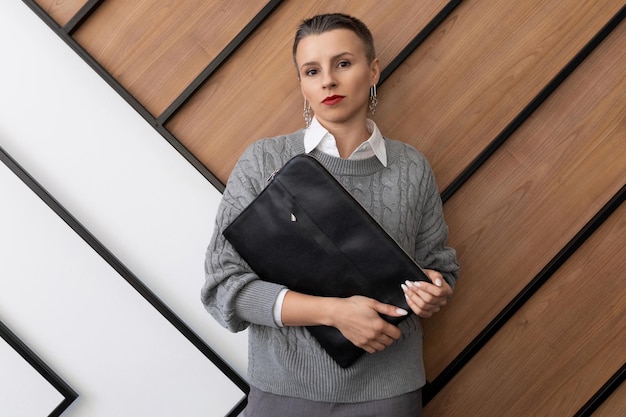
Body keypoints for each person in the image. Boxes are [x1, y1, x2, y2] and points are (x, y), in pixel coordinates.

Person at [202, 13, 459, 417]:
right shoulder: (263, 160)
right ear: (302, 84)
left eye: (343, 63)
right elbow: (223, 288)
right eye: (311, 70)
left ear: (373, 69)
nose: (328, 81)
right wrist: (333, 312)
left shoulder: (411, 167)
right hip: (283, 391)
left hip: (388, 394)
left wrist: (435, 292)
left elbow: (438, 267)